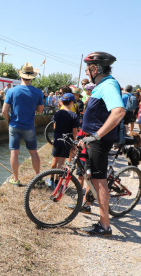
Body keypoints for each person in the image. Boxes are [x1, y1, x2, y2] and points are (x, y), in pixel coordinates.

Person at [79, 52, 125, 236]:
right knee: (94, 178)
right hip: (92, 139)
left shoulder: (108, 85)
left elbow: (119, 112)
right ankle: (90, 206)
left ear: (95, 69)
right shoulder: (101, 85)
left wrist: (96, 136)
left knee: (100, 181)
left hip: (98, 141)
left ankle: (104, 226)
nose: (86, 71)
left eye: (87, 68)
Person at [2, 63, 44, 186]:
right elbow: (40, 110)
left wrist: (8, 120)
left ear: (21, 76)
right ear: (32, 77)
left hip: (14, 124)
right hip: (29, 126)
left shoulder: (11, 91)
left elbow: (4, 110)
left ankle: (15, 179)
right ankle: (38, 178)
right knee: (34, 152)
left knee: (14, 152)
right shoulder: (38, 92)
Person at [48, 93, 79, 188]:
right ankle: (58, 182)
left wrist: (55, 137)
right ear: (71, 103)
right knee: (61, 162)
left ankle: (51, 179)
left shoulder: (57, 113)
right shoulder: (74, 115)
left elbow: (54, 126)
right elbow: (74, 132)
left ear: (62, 102)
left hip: (57, 138)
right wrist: (75, 143)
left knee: (54, 160)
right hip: (67, 141)